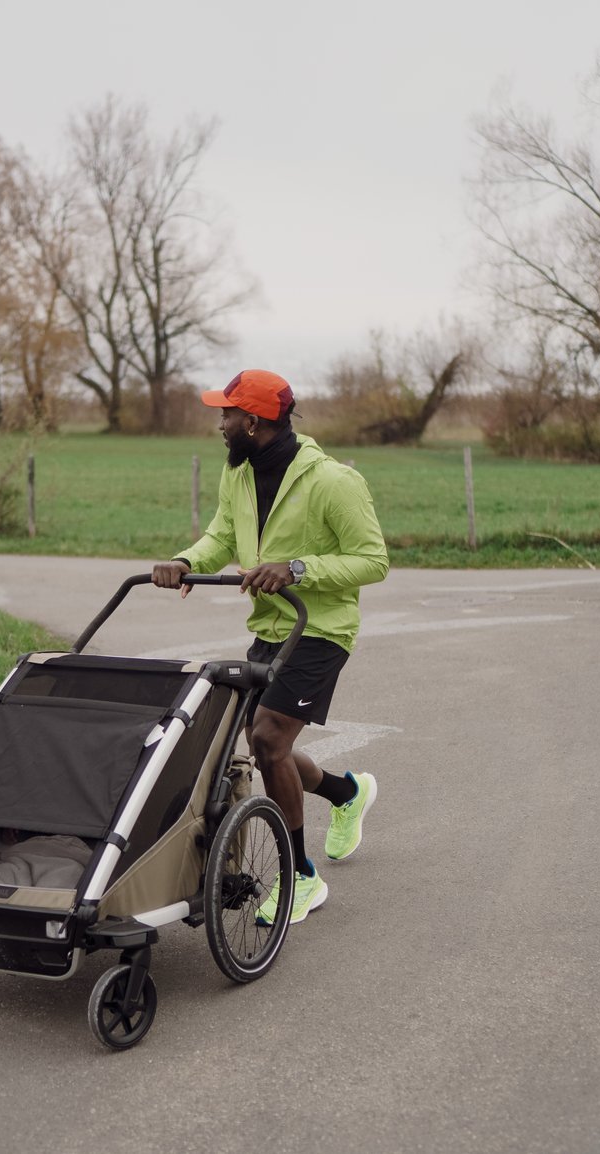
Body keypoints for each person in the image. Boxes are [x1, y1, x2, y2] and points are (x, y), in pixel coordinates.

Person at [152, 369, 389, 925]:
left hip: (322, 627)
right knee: (259, 746)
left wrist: (299, 569)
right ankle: (346, 791)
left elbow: (373, 560)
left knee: (267, 738)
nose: (220, 423)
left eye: (226, 414)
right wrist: (187, 562)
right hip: (272, 628)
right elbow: (221, 536)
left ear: (252, 422)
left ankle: (301, 876)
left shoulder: (332, 482)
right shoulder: (238, 475)